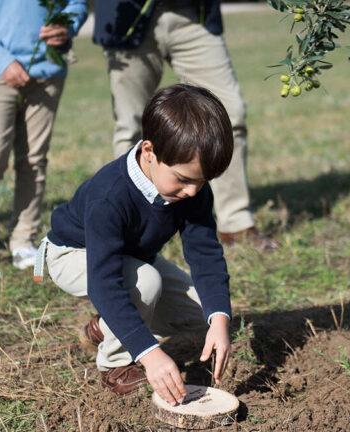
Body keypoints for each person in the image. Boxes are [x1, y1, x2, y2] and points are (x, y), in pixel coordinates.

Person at [38, 85, 232, 405]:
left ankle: (106, 326)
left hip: (131, 258)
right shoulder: (109, 197)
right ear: (149, 151)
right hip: (74, 254)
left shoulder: (191, 190)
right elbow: (104, 282)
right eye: (183, 179)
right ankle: (116, 364)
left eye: (202, 182)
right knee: (145, 282)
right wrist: (149, 353)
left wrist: (220, 320)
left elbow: (205, 254)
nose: (194, 191)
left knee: (204, 311)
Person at [92, 0, 279, 251]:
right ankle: (131, 226)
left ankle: (236, 223)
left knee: (228, 117)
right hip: (128, 17)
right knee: (131, 127)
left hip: (194, 14)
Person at [0, 0, 88, 281]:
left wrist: (67, 25)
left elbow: (77, 3)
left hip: (47, 71)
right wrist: (2, 60)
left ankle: (23, 240)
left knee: (34, 159)